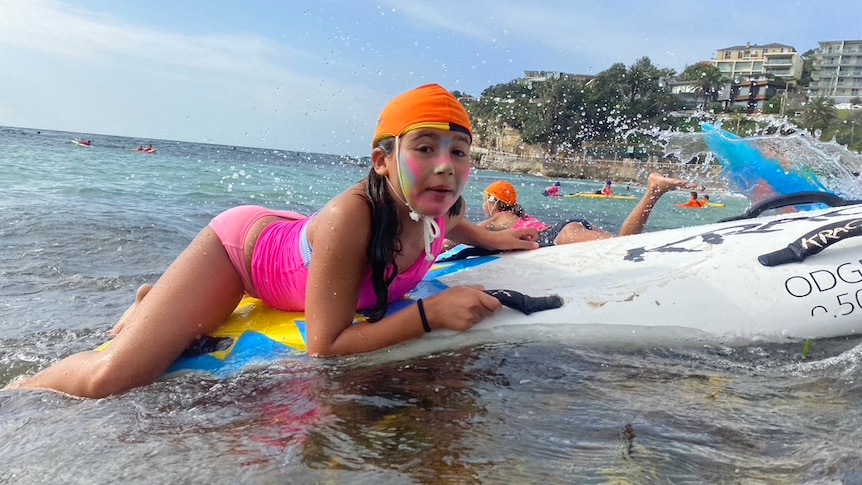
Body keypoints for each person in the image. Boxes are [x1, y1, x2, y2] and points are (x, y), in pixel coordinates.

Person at [6, 83, 539, 398]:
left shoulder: (442, 211)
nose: (446, 168)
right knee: (113, 379)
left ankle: (158, 300)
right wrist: (430, 315)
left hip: (296, 241)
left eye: (460, 152)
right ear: (382, 160)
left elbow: (462, 229)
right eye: (425, 148)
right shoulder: (350, 219)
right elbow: (325, 347)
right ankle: (17, 391)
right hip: (243, 255)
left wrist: (502, 239)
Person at [475, 174, 688, 247]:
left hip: (555, 235)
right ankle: (654, 191)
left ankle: (653, 190)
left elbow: (455, 238)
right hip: (565, 229)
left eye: (484, 200)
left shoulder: (497, 219)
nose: (484, 205)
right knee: (622, 244)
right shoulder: (516, 216)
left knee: (622, 244)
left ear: (493, 203)